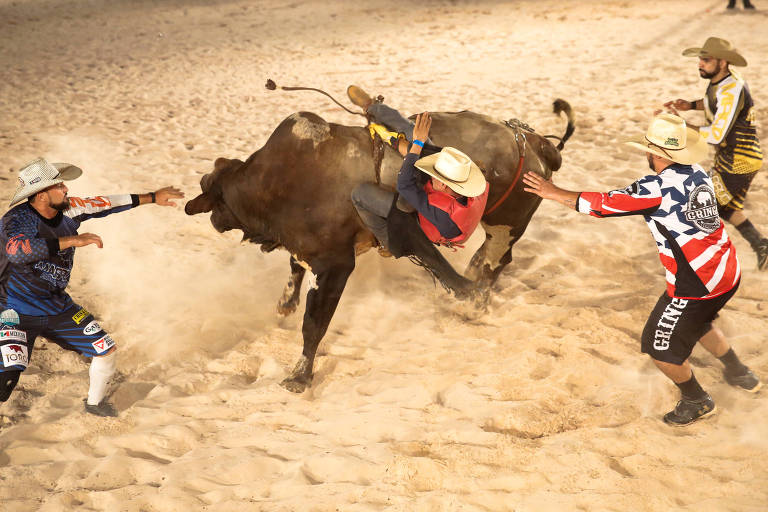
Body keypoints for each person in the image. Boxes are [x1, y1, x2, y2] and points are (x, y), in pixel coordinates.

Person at [522, 113, 761, 426]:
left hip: (697, 283)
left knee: (658, 346)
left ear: (656, 154)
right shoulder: (698, 172)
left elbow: (603, 205)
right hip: (727, 270)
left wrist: (552, 192)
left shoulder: (656, 188)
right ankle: (739, 372)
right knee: (698, 322)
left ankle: (696, 399)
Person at [0, 157, 183, 416]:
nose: (66, 189)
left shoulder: (70, 210)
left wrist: (153, 196)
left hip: (57, 307)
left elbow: (106, 203)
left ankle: (95, 405)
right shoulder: (17, 220)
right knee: (5, 382)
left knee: (105, 350)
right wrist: (71, 240)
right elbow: (17, 251)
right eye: (59, 186)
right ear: (41, 195)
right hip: (13, 310)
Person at [663, 37, 766, 270]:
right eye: (700, 59)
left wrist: (682, 126)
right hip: (733, 158)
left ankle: (701, 266)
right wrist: (690, 105)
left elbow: (716, 134)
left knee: (700, 207)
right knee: (727, 209)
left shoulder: (731, 89)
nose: (700, 63)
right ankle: (761, 245)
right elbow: (713, 103)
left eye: (706, 60)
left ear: (723, 62)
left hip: (739, 161)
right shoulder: (721, 82)